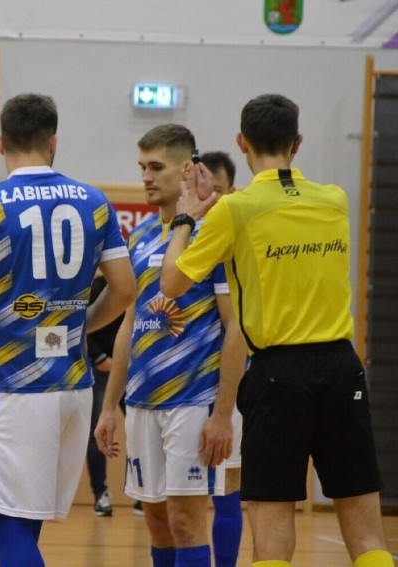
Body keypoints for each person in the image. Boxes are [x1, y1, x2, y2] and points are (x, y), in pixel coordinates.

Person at [160, 94, 393, 567]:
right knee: (367, 529)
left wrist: (189, 213)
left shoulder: (235, 210)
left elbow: (172, 283)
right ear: (298, 143)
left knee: (272, 521)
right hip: (342, 369)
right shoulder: (334, 200)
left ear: (241, 142)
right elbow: (272, 215)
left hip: (277, 375)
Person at [0, 93, 137, 567]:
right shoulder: (93, 200)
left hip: (17, 385)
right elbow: (126, 288)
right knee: (23, 519)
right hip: (75, 387)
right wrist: (79, 325)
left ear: (3, 142)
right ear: (54, 142)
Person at [94, 124, 248, 567]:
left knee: (185, 521)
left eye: (156, 167)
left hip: (194, 401)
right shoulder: (140, 238)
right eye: (142, 167)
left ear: (186, 170)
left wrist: (222, 414)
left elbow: (235, 325)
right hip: (143, 402)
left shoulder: (213, 234)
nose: (146, 176)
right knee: (157, 521)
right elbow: (129, 325)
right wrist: (110, 406)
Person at [200, 150, 244, 567]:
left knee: (227, 486)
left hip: (226, 387)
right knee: (176, 506)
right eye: (202, 190)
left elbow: (238, 327)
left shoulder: (233, 248)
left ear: (232, 192)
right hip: (178, 389)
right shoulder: (179, 238)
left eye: (217, 191)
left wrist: (224, 408)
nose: (209, 198)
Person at [85, 274, 124, 517]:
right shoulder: (96, 287)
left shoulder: (137, 284)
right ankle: (100, 494)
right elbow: (81, 326)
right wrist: (100, 358)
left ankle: (145, 494)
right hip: (102, 369)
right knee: (98, 431)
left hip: (129, 367)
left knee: (143, 426)